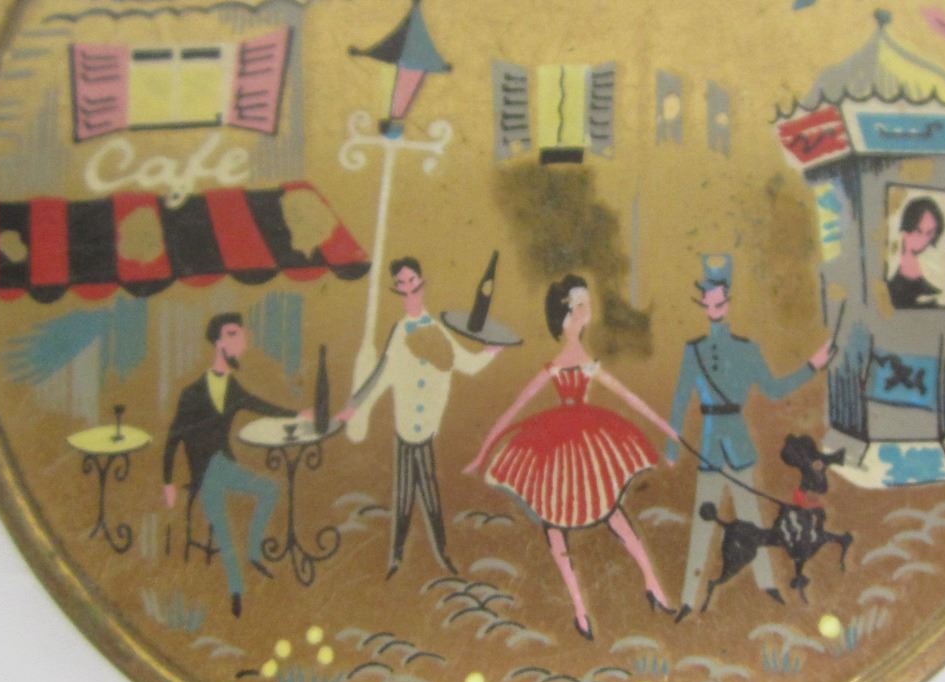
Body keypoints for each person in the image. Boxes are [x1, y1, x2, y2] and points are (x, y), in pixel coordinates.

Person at [464, 275, 675, 641]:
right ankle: (580, 608)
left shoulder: (587, 362)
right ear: (562, 317)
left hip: (587, 441)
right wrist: (484, 450)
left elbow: (628, 397)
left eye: (585, 303)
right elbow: (515, 407)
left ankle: (651, 582)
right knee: (558, 522)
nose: (584, 310)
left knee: (609, 511)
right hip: (557, 447)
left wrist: (667, 428)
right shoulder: (557, 364)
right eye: (577, 305)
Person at [666, 254, 835, 621]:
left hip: (740, 445)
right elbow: (680, 398)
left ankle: (768, 586)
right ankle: (688, 598)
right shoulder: (693, 351)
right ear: (703, 302)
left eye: (719, 298)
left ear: (727, 300)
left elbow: (774, 389)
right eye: (708, 299)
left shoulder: (747, 349)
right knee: (703, 522)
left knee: (753, 520)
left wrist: (812, 365)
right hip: (710, 447)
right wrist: (671, 444)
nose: (714, 306)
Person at [338, 257, 504, 578]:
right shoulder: (400, 332)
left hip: (426, 429)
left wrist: (492, 351)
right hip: (405, 430)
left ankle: (441, 553)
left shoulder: (437, 330)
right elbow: (380, 375)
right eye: (402, 285)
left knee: (429, 495)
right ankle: (397, 556)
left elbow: (467, 364)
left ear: (422, 283)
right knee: (404, 496)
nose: (409, 289)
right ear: (397, 290)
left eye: (413, 282)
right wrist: (356, 405)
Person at [162, 313, 302, 618]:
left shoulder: (232, 387)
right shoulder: (192, 392)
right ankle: (237, 590)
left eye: (241, 335)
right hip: (205, 473)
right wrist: (168, 482)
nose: (241, 342)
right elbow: (174, 437)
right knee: (224, 531)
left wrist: (296, 415)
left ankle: (253, 552)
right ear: (219, 342)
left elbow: (259, 405)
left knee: (269, 490)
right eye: (233, 335)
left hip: (224, 465)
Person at [887, 195, 945, 309]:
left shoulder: (933, 281)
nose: (924, 240)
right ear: (907, 227)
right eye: (918, 231)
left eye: (929, 233)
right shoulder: (889, 281)